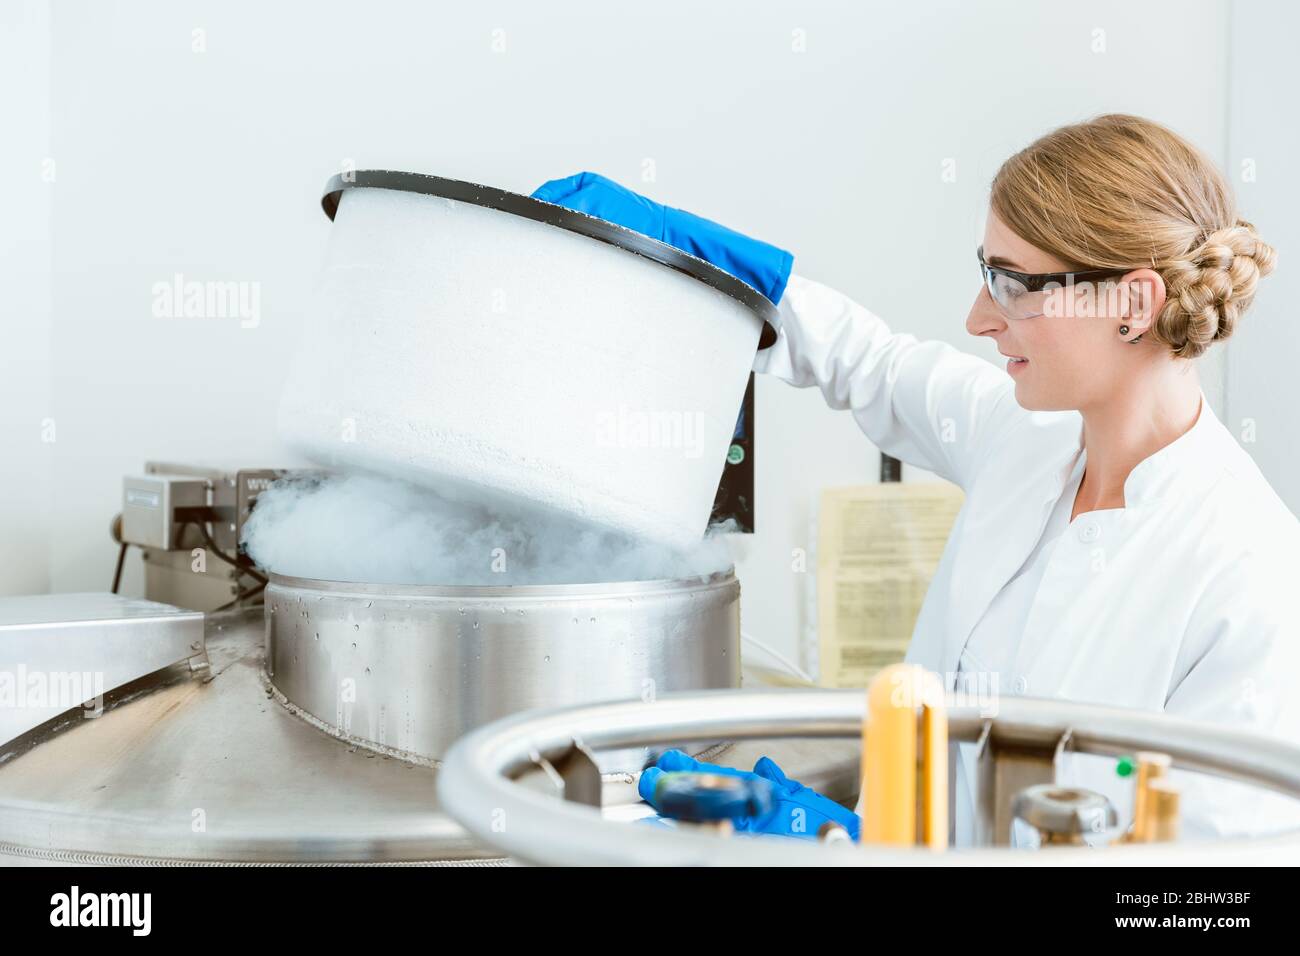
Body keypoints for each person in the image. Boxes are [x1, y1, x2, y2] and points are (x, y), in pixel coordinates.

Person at [536, 113, 1300, 845]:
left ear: (1132, 303)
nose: (979, 318)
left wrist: (857, 850)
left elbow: (1200, 904)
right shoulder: (1028, 439)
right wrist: (690, 255)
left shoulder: (1249, 578)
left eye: (1013, 283)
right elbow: (869, 361)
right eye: (985, 275)